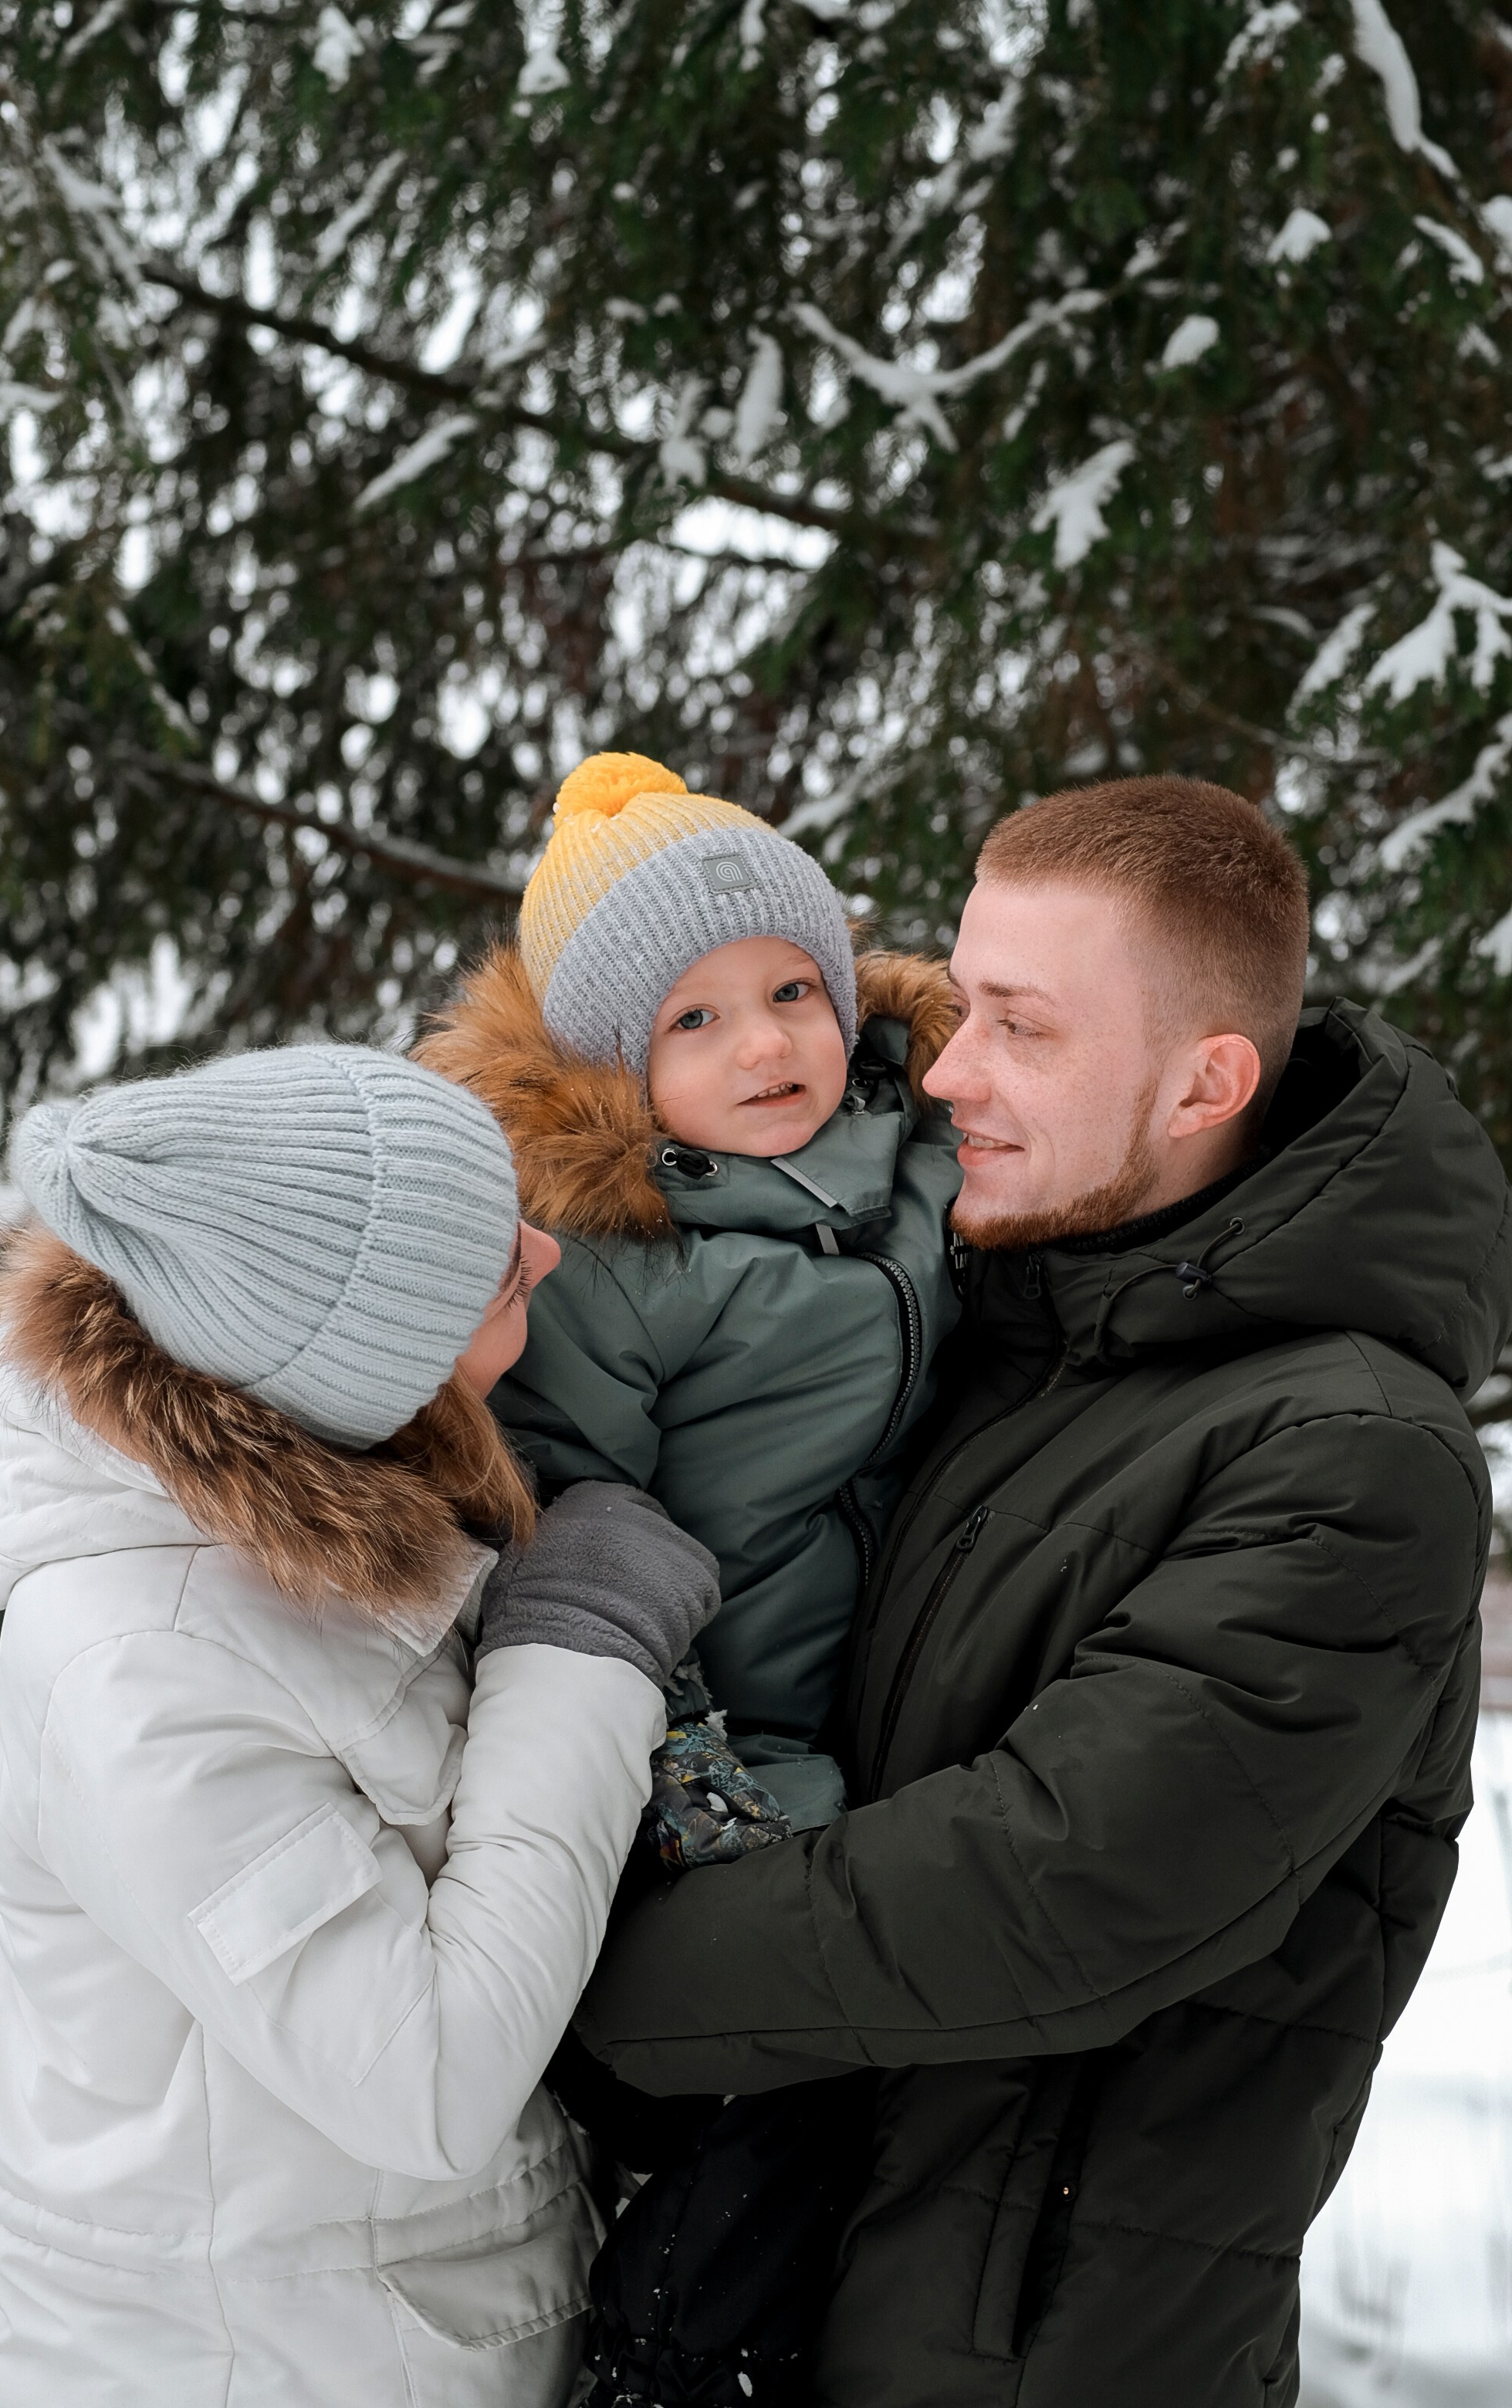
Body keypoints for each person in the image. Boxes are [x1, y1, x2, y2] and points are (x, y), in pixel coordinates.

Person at [570, 775, 1512, 2407]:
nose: (941, 1072)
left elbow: (1048, 1884)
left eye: (1018, 1026)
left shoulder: (1355, 1455)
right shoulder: (1003, 1330)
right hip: (794, 2300)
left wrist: (564, 1996)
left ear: (1203, 1081)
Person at [0, 1043, 719, 2408]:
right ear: (368, 1359)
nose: (546, 1248)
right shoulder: (145, 1669)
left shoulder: (324, 1485)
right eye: (491, 1265)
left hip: (392, 2323)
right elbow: (425, 2079)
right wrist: (579, 1655)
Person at [415, 748, 963, 2396]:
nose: (768, 1044)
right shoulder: (607, 1254)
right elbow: (573, 1522)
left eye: (791, 989)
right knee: (770, 2103)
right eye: (695, 1020)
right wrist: (688, 1767)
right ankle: (667, 2366)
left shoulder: (918, 1152)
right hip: (716, 1751)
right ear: (607, 1063)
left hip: (882, 1701)